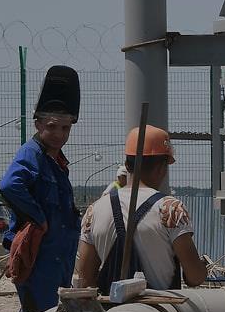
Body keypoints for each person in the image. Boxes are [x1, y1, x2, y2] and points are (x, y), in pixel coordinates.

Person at [75, 125, 207, 292]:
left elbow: (84, 279)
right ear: (162, 167)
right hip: (160, 307)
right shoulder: (171, 209)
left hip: (110, 307)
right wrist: (201, 268)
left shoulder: (94, 210)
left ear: (127, 164)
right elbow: (195, 276)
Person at [0, 65, 82, 312]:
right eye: (52, 126)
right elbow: (10, 185)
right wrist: (38, 218)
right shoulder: (32, 153)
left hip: (57, 260)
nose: (59, 134)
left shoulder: (56, 162)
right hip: (39, 260)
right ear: (38, 124)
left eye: (65, 128)